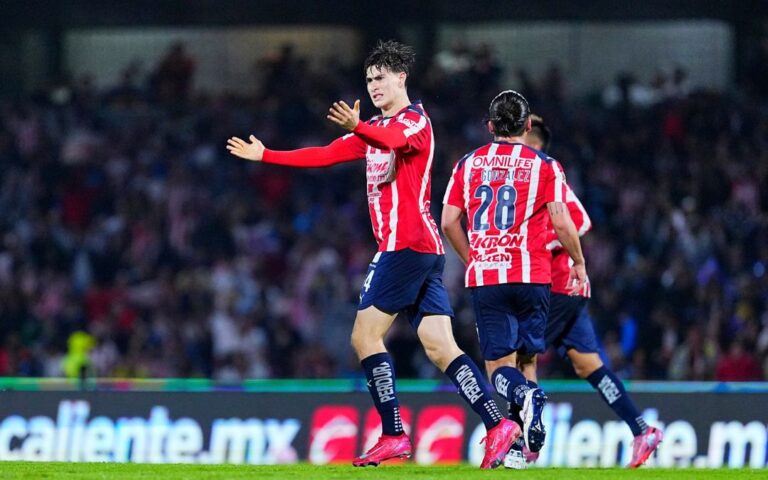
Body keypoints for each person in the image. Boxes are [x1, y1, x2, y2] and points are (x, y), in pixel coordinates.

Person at [226, 40, 518, 469]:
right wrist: (267, 154)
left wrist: (360, 127)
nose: (374, 85)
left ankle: (394, 434)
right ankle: (497, 425)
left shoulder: (414, 123)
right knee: (440, 347)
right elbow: (326, 154)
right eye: (368, 79)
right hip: (423, 251)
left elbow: (390, 137)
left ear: (401, 77)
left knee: (364, 337)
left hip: (406, 245)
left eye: (381, 77)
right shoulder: (375, 131)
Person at [503, 114, 663, 469]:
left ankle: (525, 444)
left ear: (534, 144)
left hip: (558, 286)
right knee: (587, 364)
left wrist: (541, 242)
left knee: (519, 356)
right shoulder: (522, 179)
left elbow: (582, 220)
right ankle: (641, 429)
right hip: (568, 291)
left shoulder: (546, 173)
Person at [441, 91, 587, 461]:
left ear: (490, 127)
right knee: (527, 361)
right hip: (534, 275)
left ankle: (523, 410)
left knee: (499, 369)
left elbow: (448, 222)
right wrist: (579, 262)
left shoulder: (467, 164)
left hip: (488, 277)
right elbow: (561, 219)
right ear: (526, 125)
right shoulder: (546, 165)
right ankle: (522, 449)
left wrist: (475, 256)